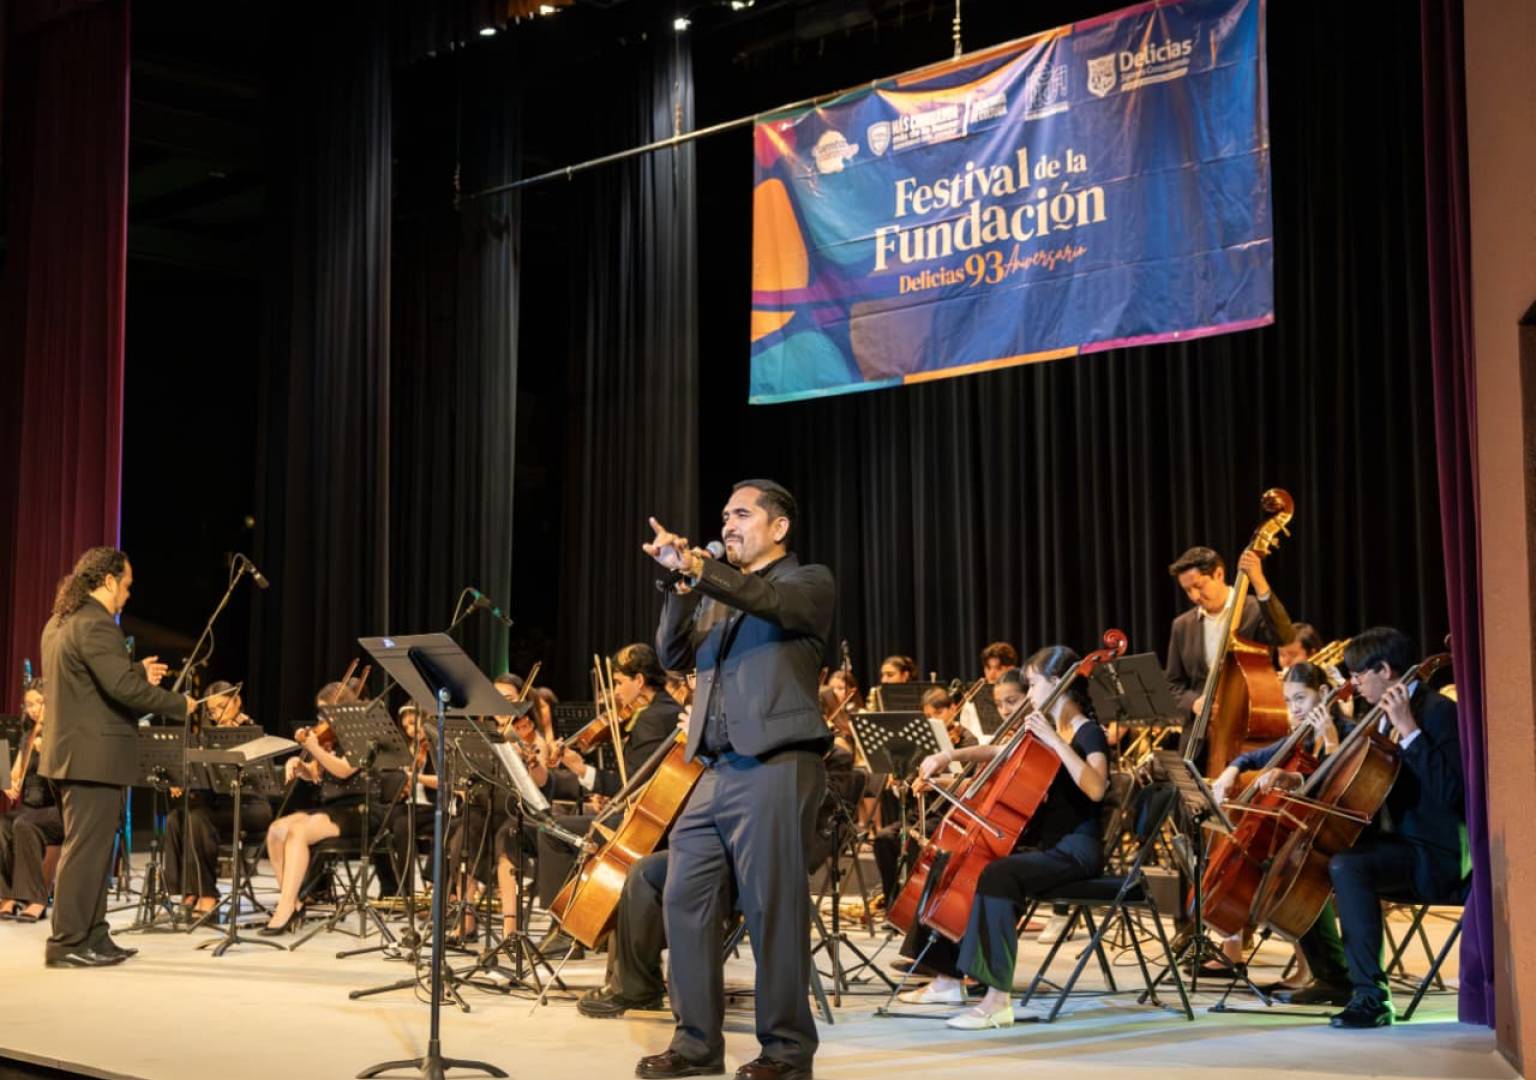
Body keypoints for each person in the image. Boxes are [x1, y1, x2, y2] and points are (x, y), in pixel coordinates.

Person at [636, 479, 834, 1080]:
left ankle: (786, 1052)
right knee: (683, 898)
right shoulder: (719, 593)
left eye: (742, 514)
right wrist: (678, 582)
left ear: (779, 528)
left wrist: (702, 569)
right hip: (714, 769)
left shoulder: (808, 581)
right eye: (723, 515)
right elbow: (670, 655)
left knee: (774, 909)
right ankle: (696, 1043)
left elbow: (767, 603)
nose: (727, 523)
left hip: (776, 763)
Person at [894, 648, 1110, 1029]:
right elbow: (999, 750)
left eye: (1034, 684)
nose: (1029, 693)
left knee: (998, 875)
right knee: (971, 861)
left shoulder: (1086, 731)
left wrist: (1057, 744)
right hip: (1047, 844)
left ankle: (996, 999)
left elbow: (1096, 788)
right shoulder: (1045, 726)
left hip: (1076, 849)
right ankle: (948, 977)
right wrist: (947, 758)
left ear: (1058, 684)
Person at [39, 547, 196, 967]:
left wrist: (135, 674)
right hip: (91, 758)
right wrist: (179, 704)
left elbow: (94, 686)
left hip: (74, 755)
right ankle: (67, 943)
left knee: (92, 850)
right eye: (125, 585)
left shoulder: (60, 622)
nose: (127, 594)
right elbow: (122, 690)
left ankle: (94, 935)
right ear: (108, 580)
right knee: (86, 851)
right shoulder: (96, 623)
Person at [1315, 628, 1465, 1028]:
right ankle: (1330, 975)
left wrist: (1410, 730)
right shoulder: (1378, 716)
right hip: (1400, 845)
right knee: (1318, 858)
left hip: (1437, 855)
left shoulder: (1435, 711)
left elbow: (1455, 794)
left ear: (1384, 669)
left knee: (1349, 866)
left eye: (1358, 674)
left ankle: (1372, 998)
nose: (1354, 683)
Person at [1204, 662, 1350, 994]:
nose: (1293, 708)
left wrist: (1326, 745)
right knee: (1275, 872)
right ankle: (1307, 968)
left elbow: (1337, 783)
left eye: (1300, 698)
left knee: (1288, 880)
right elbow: (1252, 758)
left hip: (1334, 835)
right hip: (1303, 835)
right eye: (1288, 701)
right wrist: (1231, 770)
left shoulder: (1345, 730)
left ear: (1324, 694)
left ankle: (1325, 972)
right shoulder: (1299, 737)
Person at [259, 680, 387, 935]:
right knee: (276, 829)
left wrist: (314, 747)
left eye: (327, 712)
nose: (323, 719)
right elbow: (316, 774)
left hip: (361, 809)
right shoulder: (329, 737)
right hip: (333, 808)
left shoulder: (364, 733)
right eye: (321, 713)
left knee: (298, 833)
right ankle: (293, 901)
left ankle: (284, 908)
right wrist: (301, 766)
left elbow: (343, 770)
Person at [1163, 545, 1296, 768]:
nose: (1194, 596)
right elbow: (1172, 684)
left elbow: (1284, 635)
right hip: (1198, 740)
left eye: (1198, 586)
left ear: (1219, 574)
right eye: (1187, 590)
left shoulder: (1253, 609)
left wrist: (1259, 581)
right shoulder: (1182, 626)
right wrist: (1194, 703)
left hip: (1246, 731)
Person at [163, 681, 272, 914]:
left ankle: (207, 893)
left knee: (198, 817)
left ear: (237, 701)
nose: (217, 715)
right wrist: (182, 779)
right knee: (176, 817)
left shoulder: (252, 731)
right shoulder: (207, 737)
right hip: (218, 807)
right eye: (212, 711)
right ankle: (185, 891)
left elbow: (260, 779)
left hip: (251, 807)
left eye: (222, 707)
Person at [0, 681, 60, 922]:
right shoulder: (28, 734)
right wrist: (9, 784)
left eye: (38, 703)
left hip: (56, 810)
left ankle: (36, 898)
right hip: (30, 808)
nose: (33, 709)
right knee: (3, 823)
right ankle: (7, 895)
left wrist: (47, 752)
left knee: (23, 823)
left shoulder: (60, 734)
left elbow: (66, 778)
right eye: (28, 704)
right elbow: (15, 774)